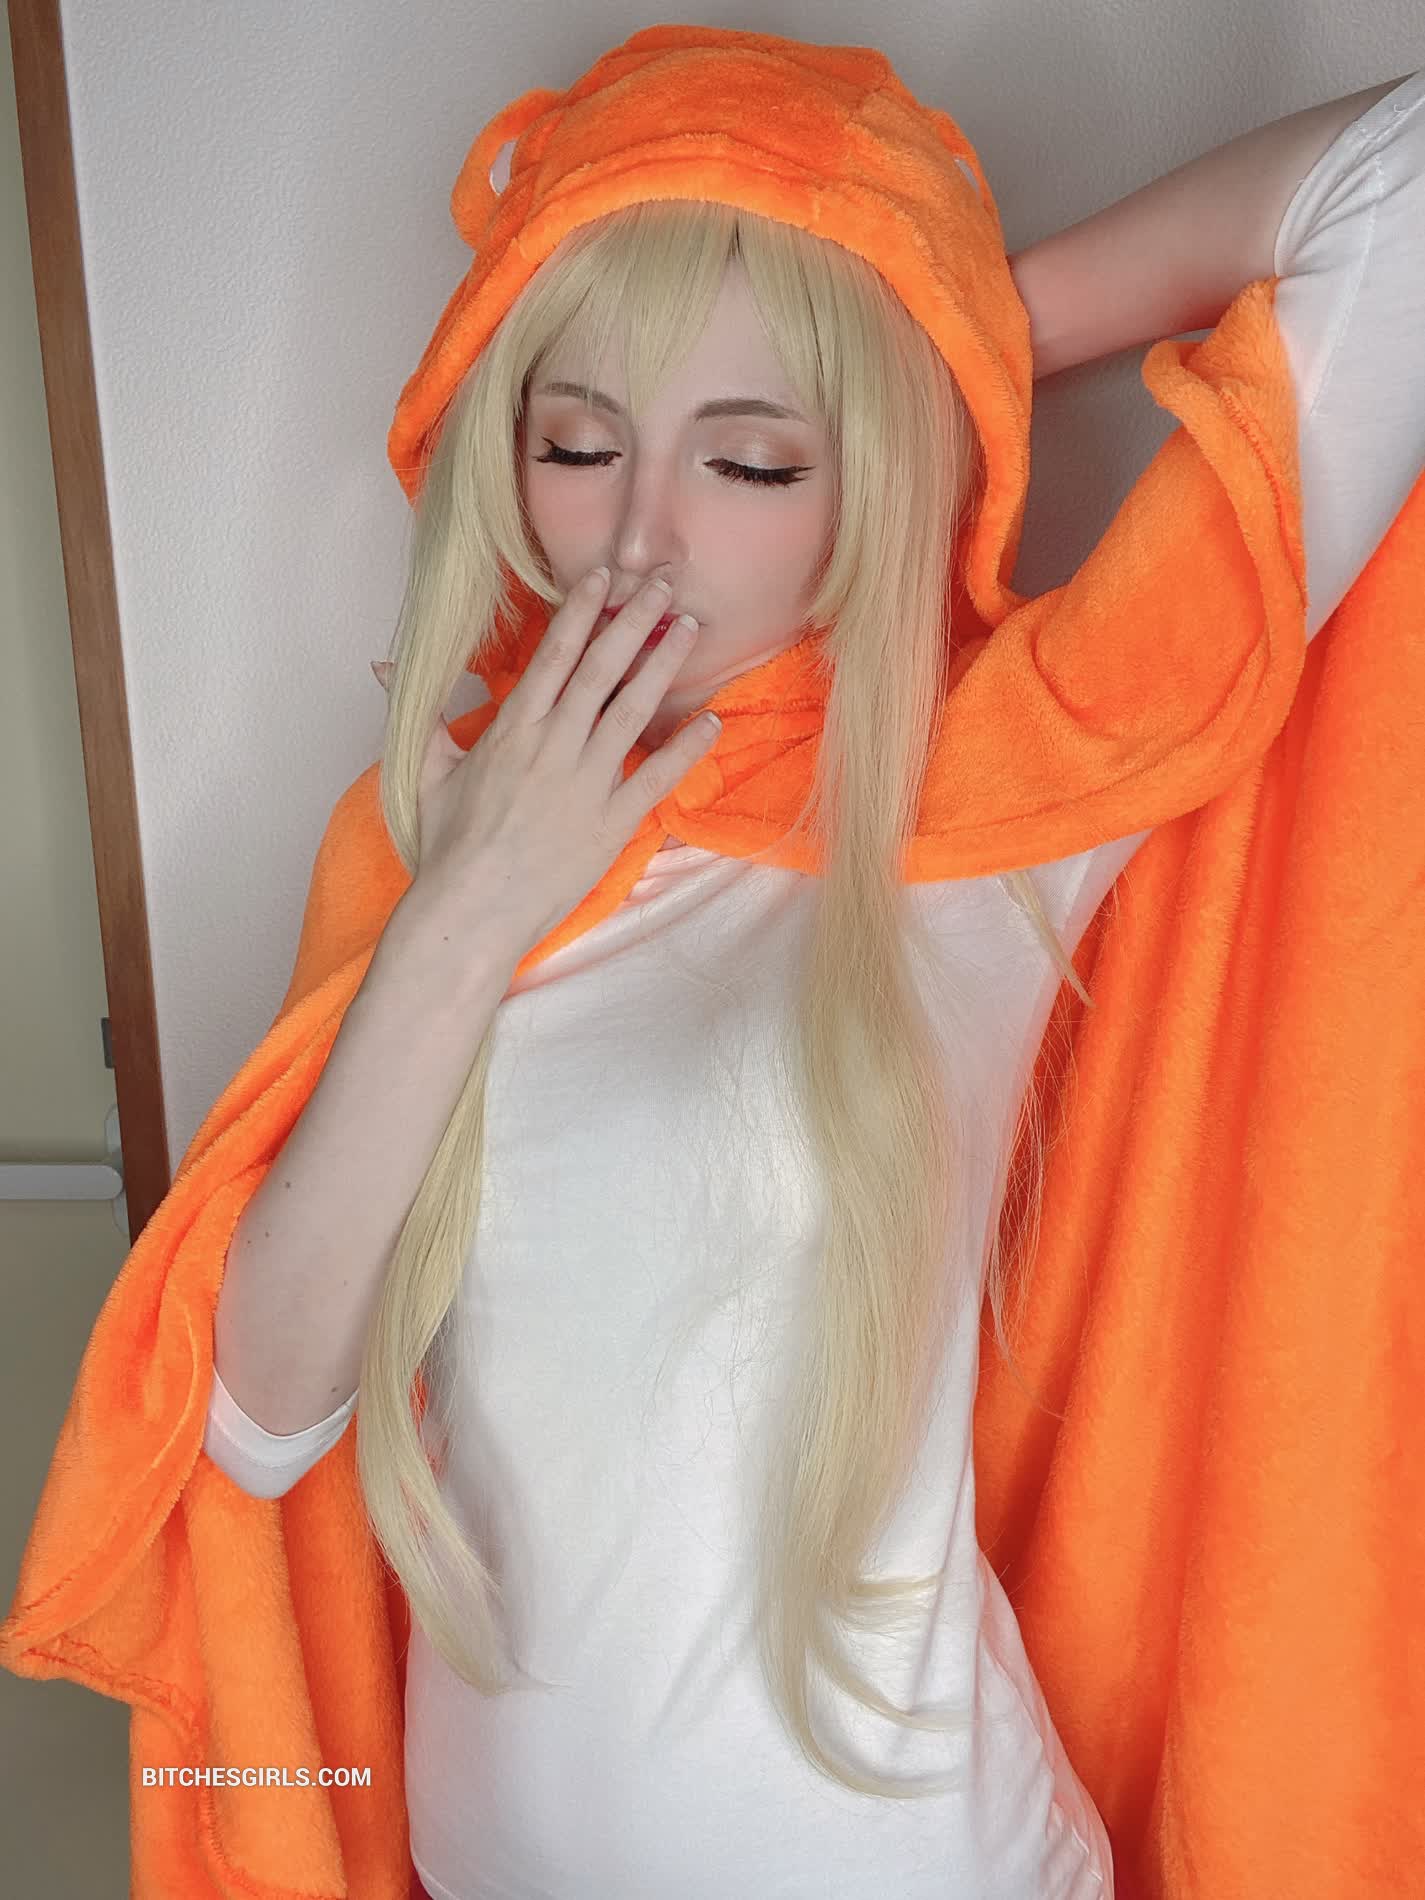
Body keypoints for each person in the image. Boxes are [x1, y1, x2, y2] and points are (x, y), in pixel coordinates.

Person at [6, 28, 1424, 1900]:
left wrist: (924, 338)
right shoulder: (426, 824)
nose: (641, 534)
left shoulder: (983, 792)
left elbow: (1403, 184)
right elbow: (258, 1427)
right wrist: (472, 906)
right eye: (580, 442)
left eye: (753, 456)